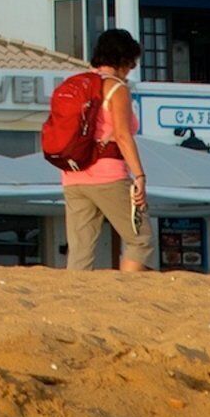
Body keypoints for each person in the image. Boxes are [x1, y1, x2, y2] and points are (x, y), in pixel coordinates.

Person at [56, 28, 154, 273]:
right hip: (108, 174)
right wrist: (139, 176)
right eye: (131, 63)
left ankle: (75, 302)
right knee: (139, 238)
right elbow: (122, 135)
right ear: (123, 61)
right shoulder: (115, 89)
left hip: (72, 175)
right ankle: (127, 294)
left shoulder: (77, 85)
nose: (131, 69)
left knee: (80, 250)